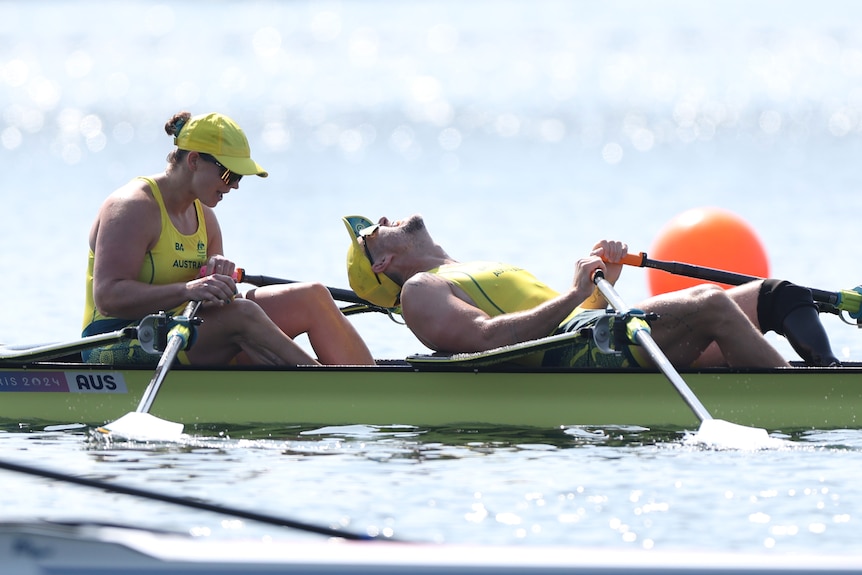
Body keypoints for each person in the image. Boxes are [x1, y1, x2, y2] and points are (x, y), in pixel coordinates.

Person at [342, 214, 840, 368]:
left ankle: (831, 378)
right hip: (575, 354)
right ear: (383, 263)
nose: (382, 221)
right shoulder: (420, 292)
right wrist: (575, 292)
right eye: (371, 234)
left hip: (590, 331)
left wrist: (603, 283)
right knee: (709, 302)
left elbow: (564, 314)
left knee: (778, 295)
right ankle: (820, 408)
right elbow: (489, 340)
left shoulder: (468, 268)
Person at [81, 111, 374, 366]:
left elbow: (221, 304)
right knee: (243, 315)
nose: (234, 186)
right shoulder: (132, 208)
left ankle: (373, 385)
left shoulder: (205, 218)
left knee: (312, 296)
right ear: (194, 160)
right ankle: (330, 386)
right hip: (117, 340)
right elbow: (108, 297)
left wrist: (220, 286)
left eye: (239, 178)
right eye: (228, 175)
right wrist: (189, 289)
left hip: (184, 329)